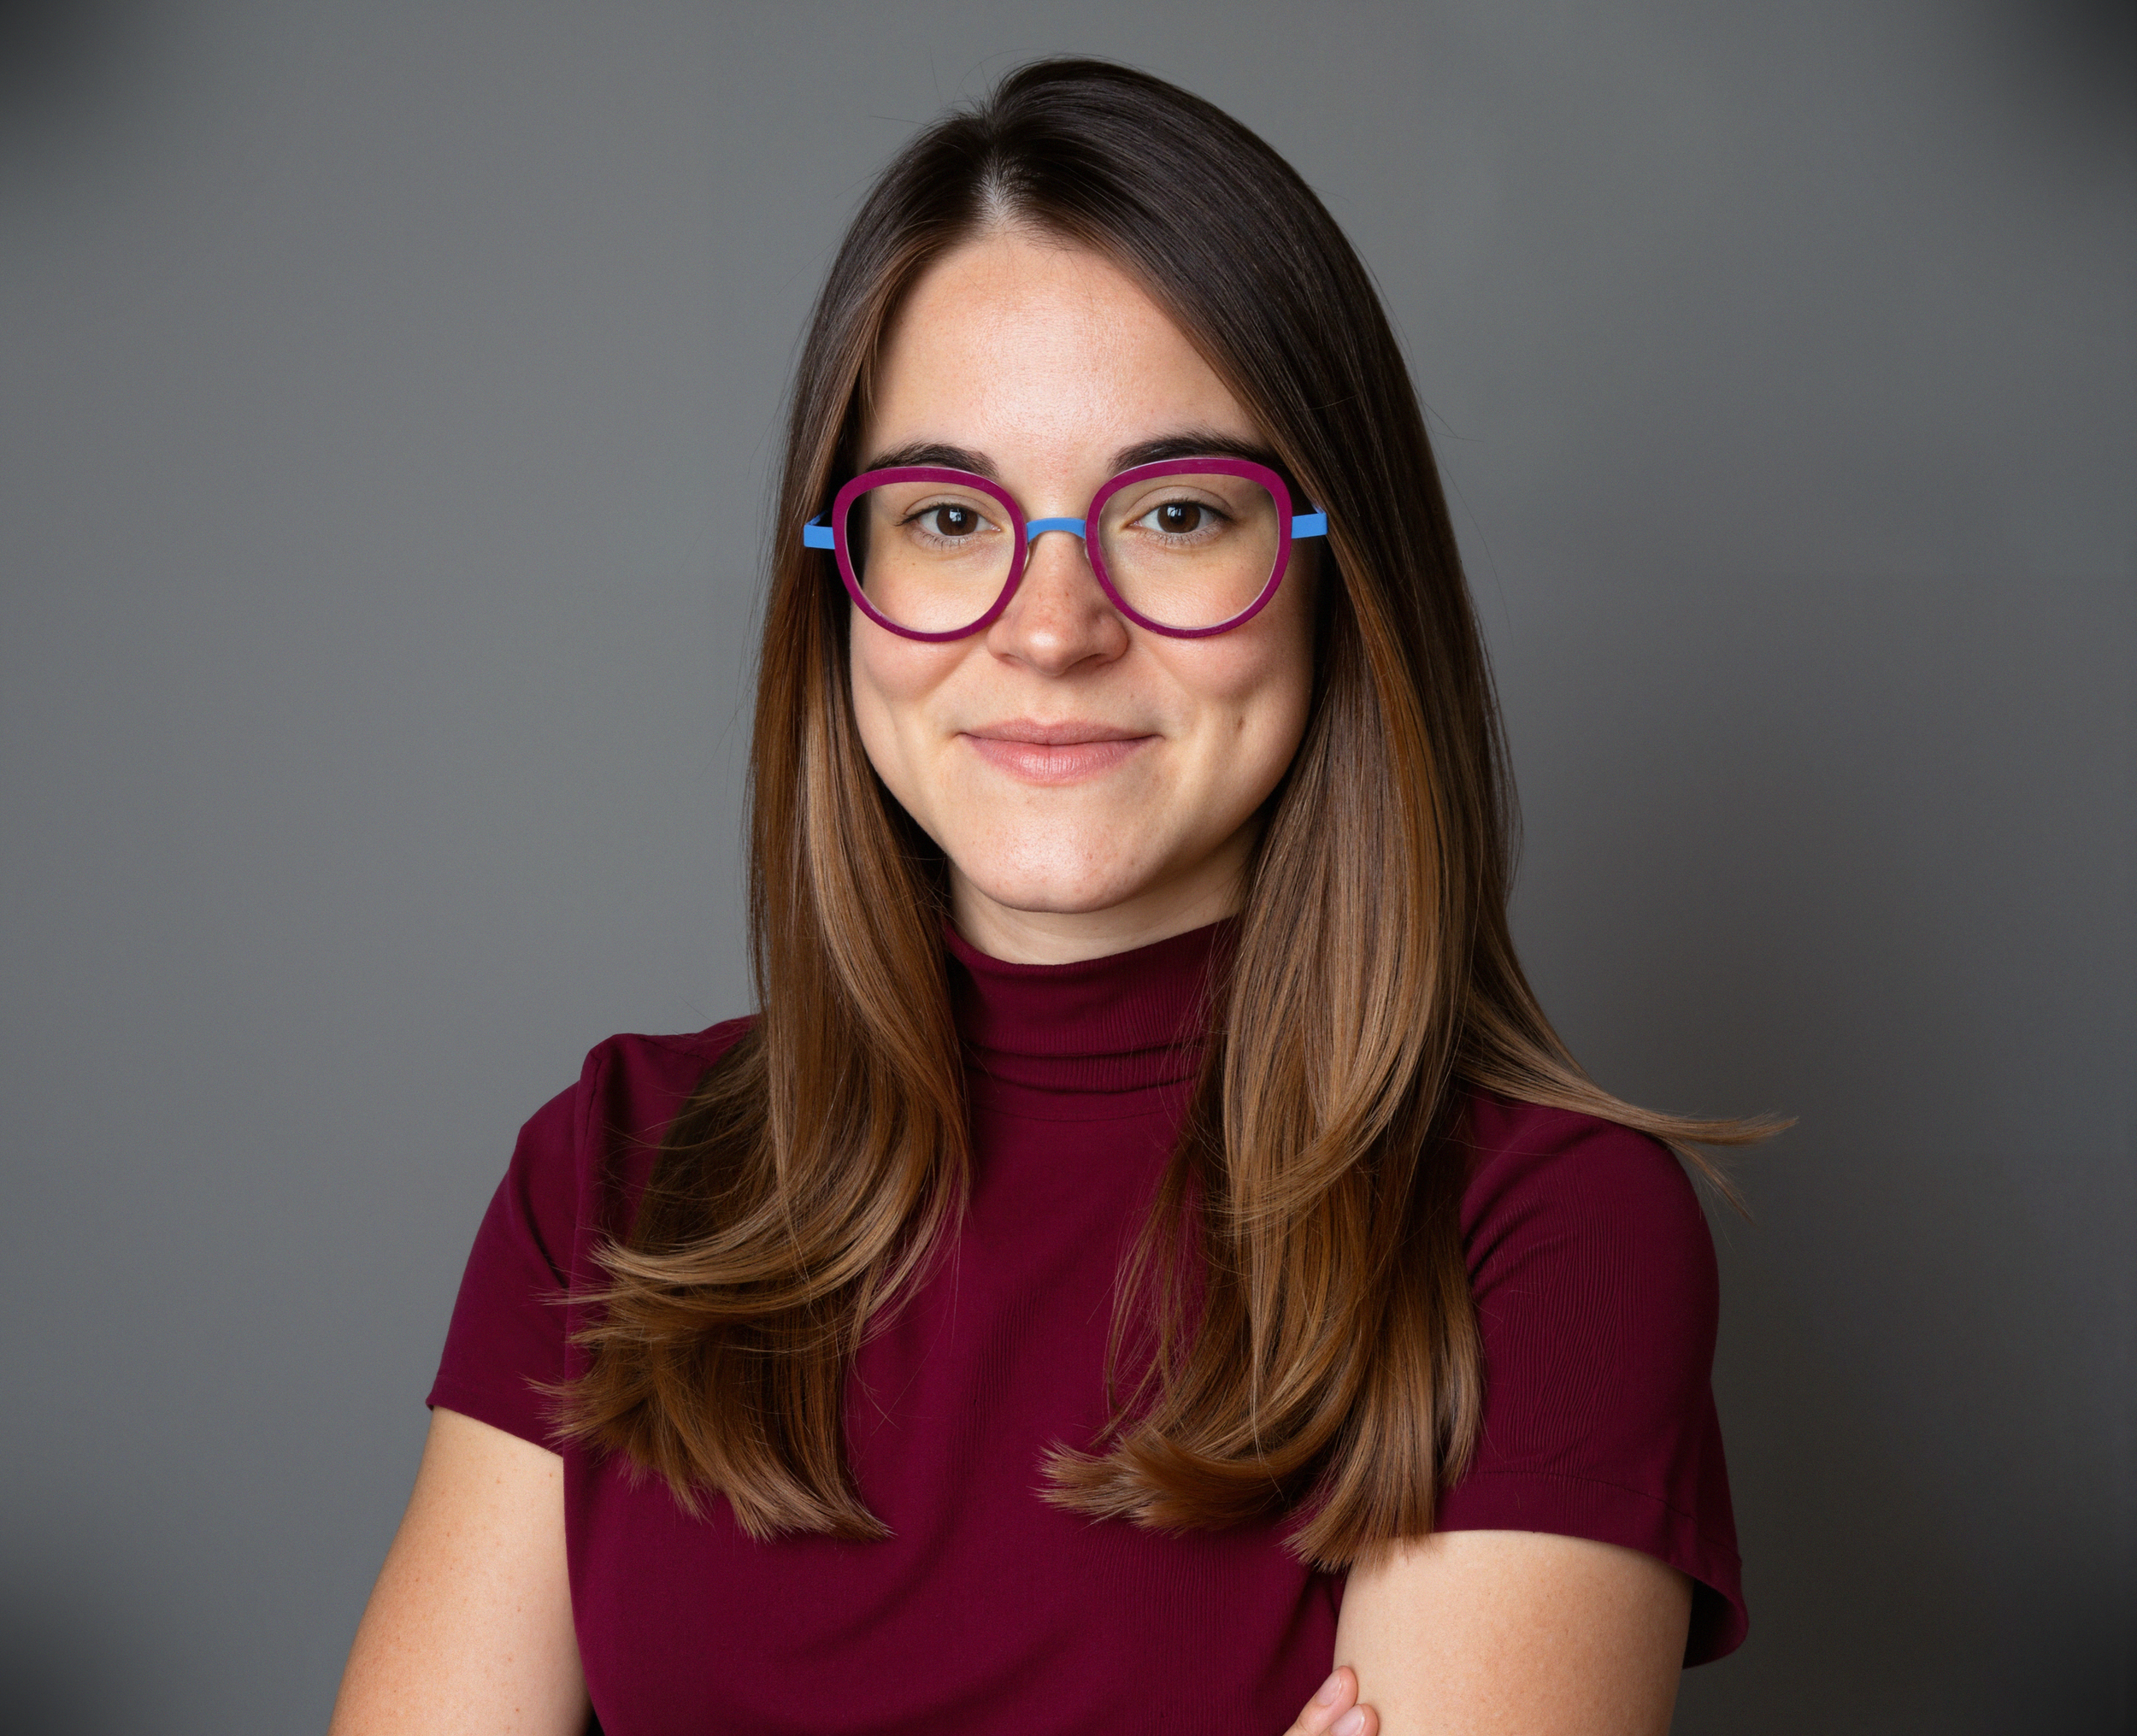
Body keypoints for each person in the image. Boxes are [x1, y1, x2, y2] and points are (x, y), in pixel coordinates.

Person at [330, 58, 1769, 1736]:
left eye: (1172, 512)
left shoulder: (1541, 1237)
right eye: (948, 515)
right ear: (843, 592)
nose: (1049, 622)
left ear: (1329, 570)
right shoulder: (613, 1172)